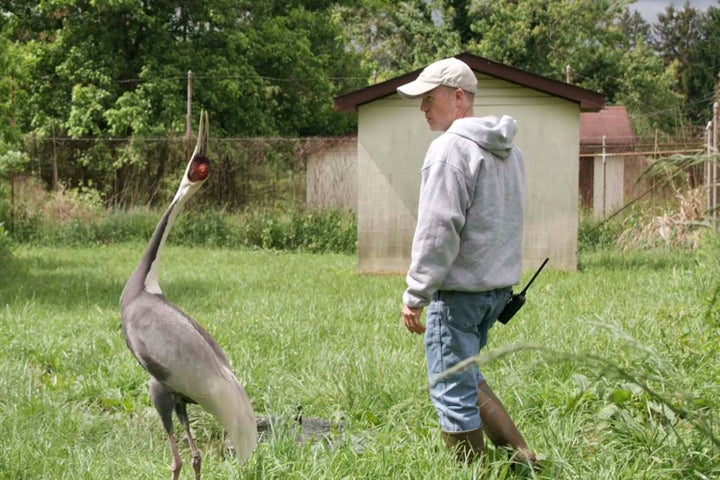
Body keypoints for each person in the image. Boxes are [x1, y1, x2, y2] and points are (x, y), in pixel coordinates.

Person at [396, 57, 537, 467]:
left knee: (450, 388)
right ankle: (523, 458)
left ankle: (472, 474)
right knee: (468, 374)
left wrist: (415, 293)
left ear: (458, 97)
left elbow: (438, 230)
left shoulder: (449, 150)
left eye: (429, 98)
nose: (423, 108)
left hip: (457, 298)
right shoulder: (510, 151)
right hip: (494, 293)